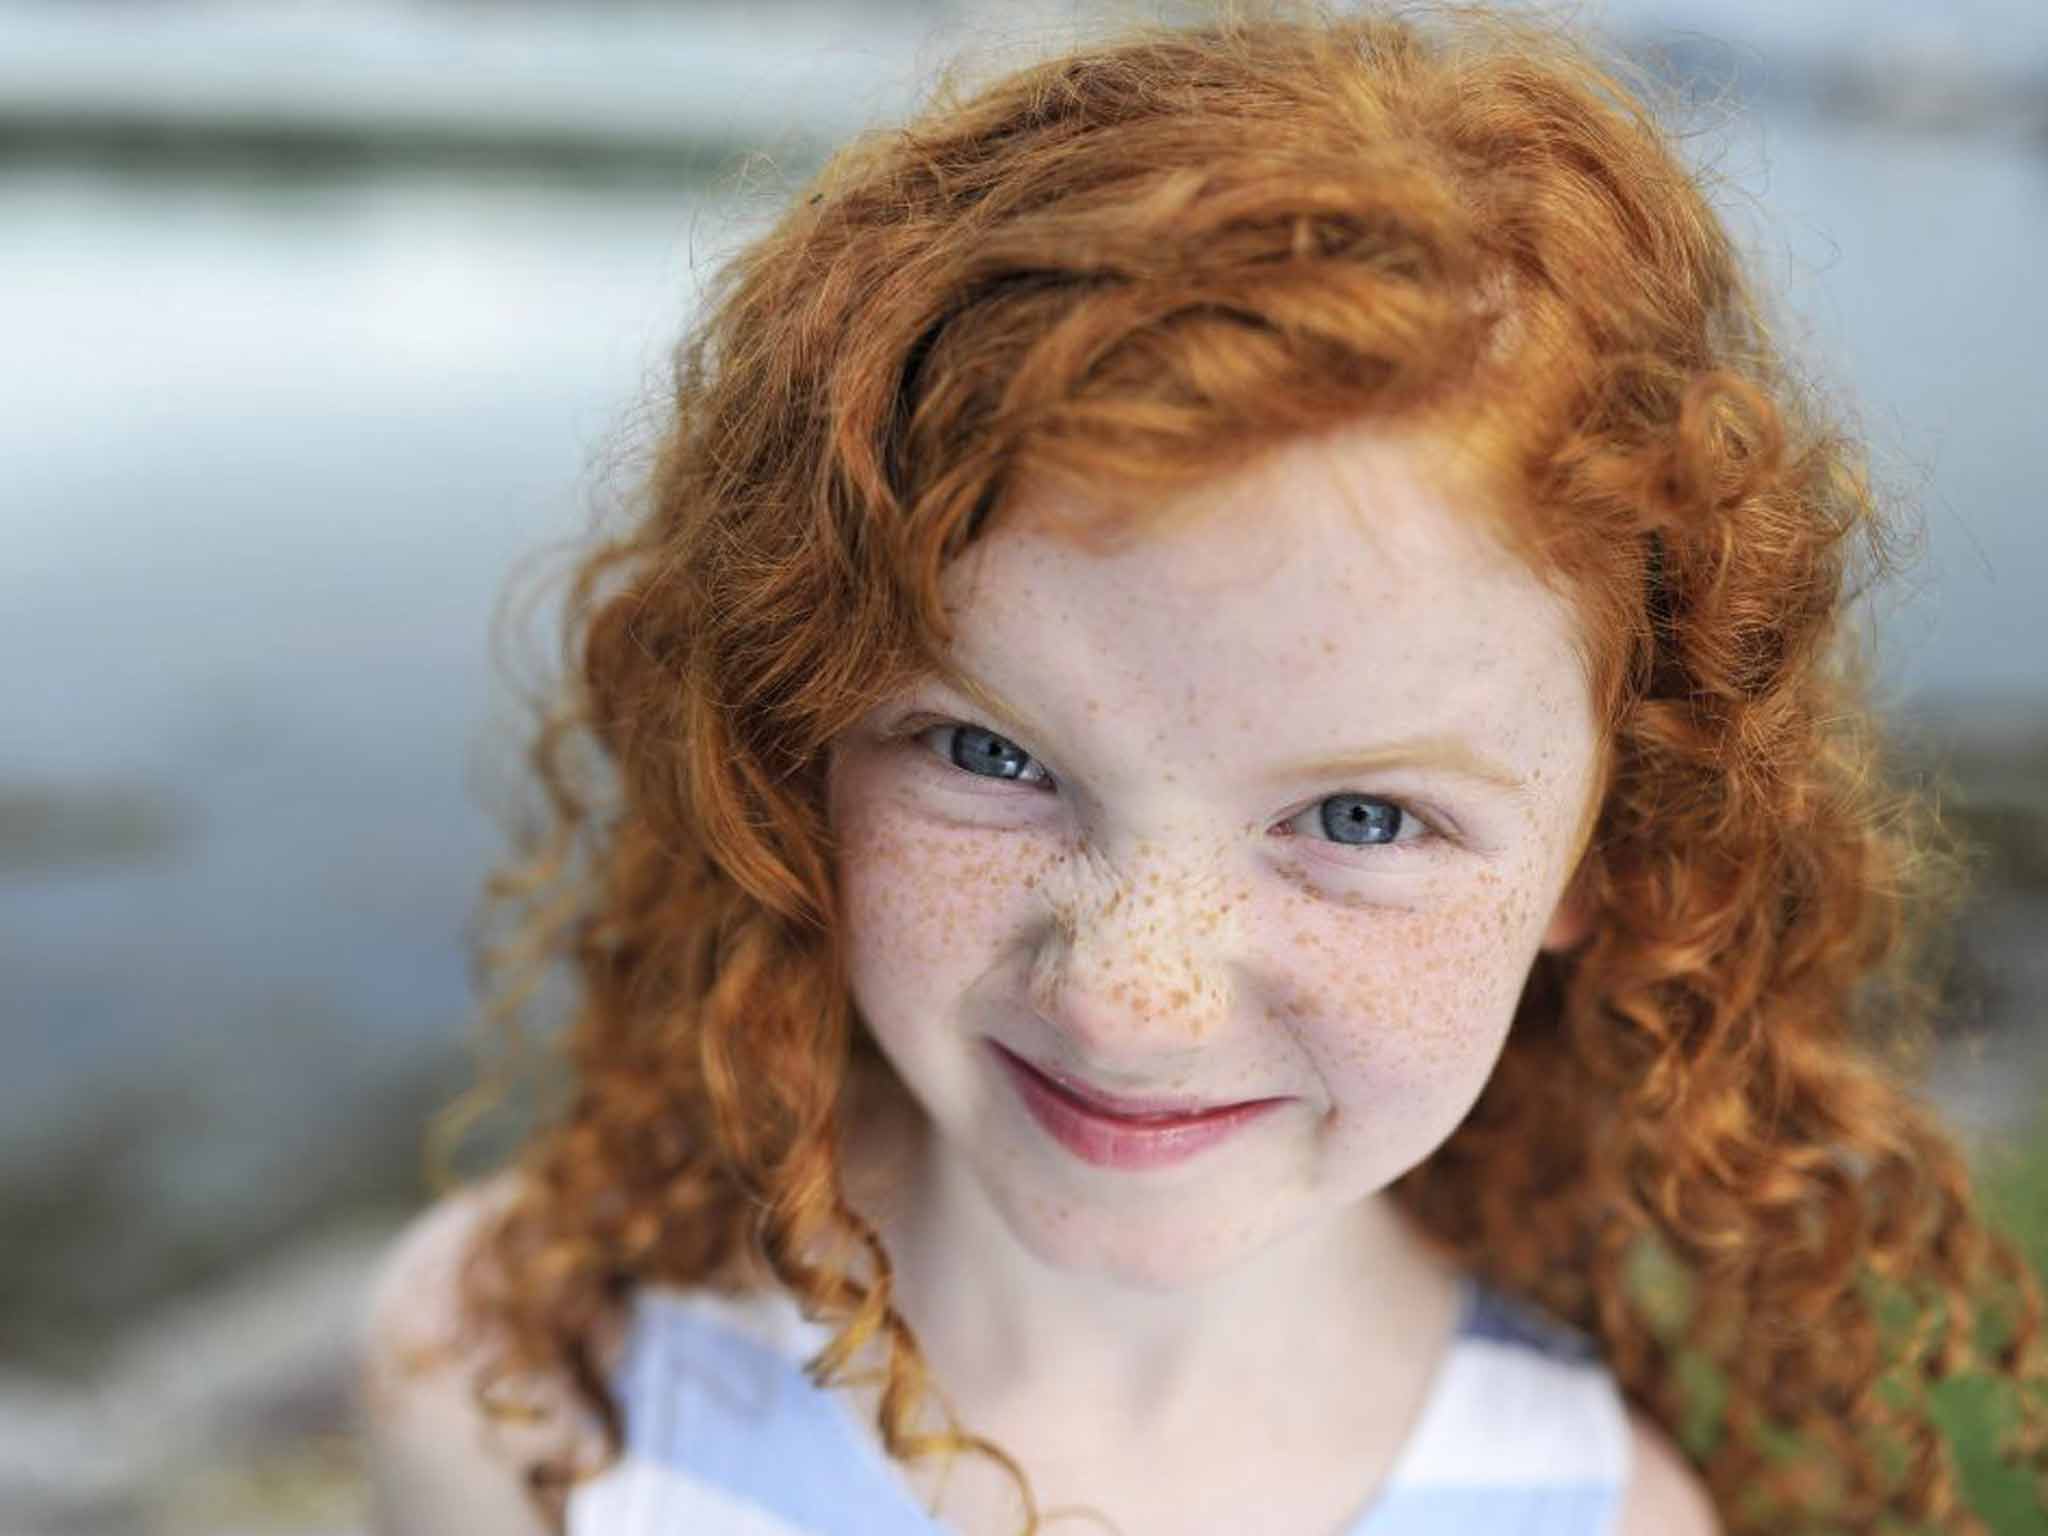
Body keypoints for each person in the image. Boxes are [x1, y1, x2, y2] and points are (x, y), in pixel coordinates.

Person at [357, 4, 2048, 1533]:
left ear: (1616, 856)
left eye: (1363, 816)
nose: (1129, 999)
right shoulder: (519, 1384)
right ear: (790, 733)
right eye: (987, 750)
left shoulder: (1595, 1517)